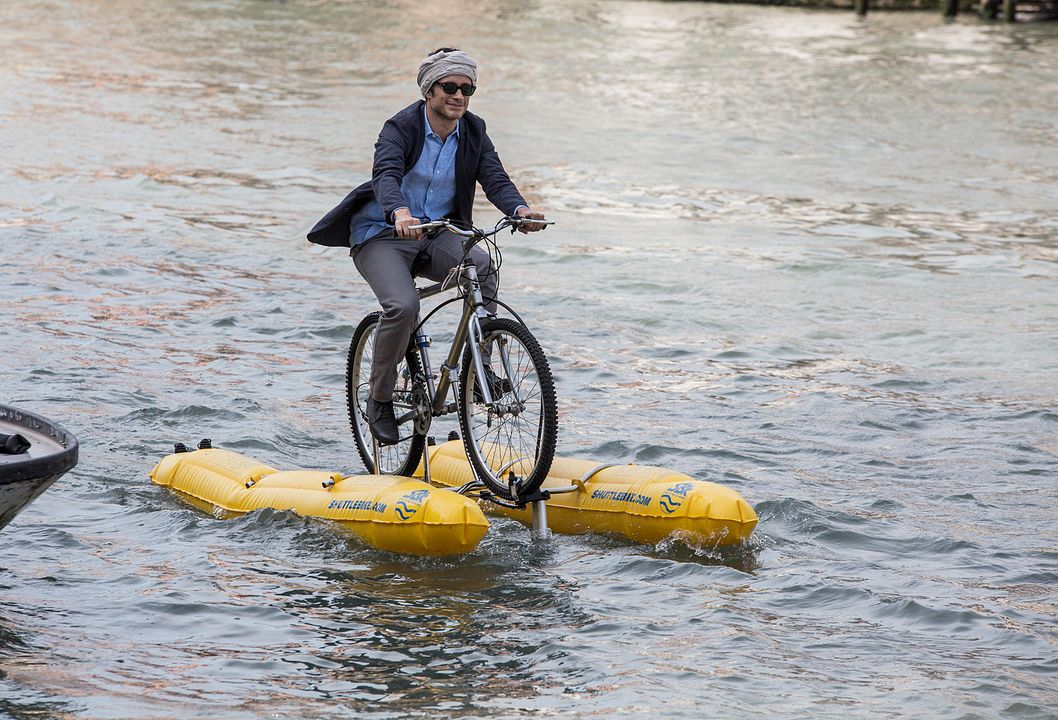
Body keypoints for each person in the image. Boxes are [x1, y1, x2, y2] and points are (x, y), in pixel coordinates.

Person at [307, 47, 546, 446]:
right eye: (449, 86)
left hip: (438, 233)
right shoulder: (399, 128)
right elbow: (385, 174)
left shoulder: (474, 129)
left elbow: (494, 177)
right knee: (403, 305)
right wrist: (399, 211)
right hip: (382, 234)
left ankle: (478, 371)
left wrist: (519, 210)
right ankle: (379, 398)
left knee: (483, 268)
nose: (459, 96)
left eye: (467, 89)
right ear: (429, 91)